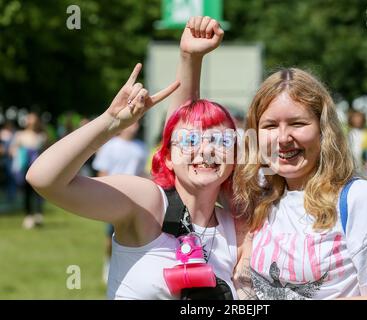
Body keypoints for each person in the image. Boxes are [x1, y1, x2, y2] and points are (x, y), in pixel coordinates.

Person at [26, 17, 241, 300]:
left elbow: (185, 126)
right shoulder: (149, 204)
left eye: (220, 140)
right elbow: (43, 179)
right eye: (191, 141)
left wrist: (192, 57)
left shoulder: (236, 227)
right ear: (168, 155)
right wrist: (109, 123)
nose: (206, 149)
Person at [230, 68, 367, 299]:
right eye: (270, 126)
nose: (283, 138)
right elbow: (191, 148)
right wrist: (192, 57)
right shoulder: (256, 194)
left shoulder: (359, 198)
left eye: (297, 123)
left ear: (323, 129)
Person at [92, 121, 149, 284]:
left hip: (135, 198)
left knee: (135, 235)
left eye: (138, 124)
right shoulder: (110, 146)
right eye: (132, 124)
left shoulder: (140, 147)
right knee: (111, 235)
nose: (135, 126)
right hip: (114, 197)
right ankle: (108, 263)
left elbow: (141, 172)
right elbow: (102, 172)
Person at [10, 113, 48, 229]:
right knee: (27, 192)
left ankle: (38, 214)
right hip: (25, 166)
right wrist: (19, 155)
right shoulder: (20, 135)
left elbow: (48, 150)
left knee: (40, 191)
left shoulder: (42, 135)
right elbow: (13, 148)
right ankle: (28, 216)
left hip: (39, 167)